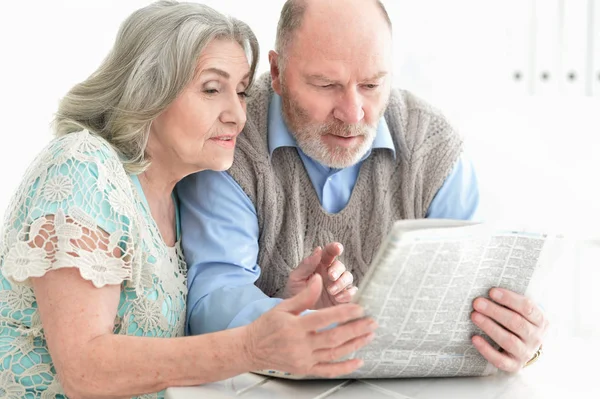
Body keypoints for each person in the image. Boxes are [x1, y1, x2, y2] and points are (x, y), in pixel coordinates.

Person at [0, 2, 377, 398]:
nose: (237, 114)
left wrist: (288, 308)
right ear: (148, 90)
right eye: (212, 89)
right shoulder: (83, 167)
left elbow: (164, 350)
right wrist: (251, 345)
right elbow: (84, 370)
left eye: (242, 91)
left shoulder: (173, 198)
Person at [179, 0, 548, 374]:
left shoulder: (432, 148)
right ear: (277, 72)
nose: (353, 113)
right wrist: (308, 319)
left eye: (372, 85)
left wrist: (517, 340)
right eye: (326, 84)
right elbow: (214, 304)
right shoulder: (231, 140)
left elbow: (470, 297)